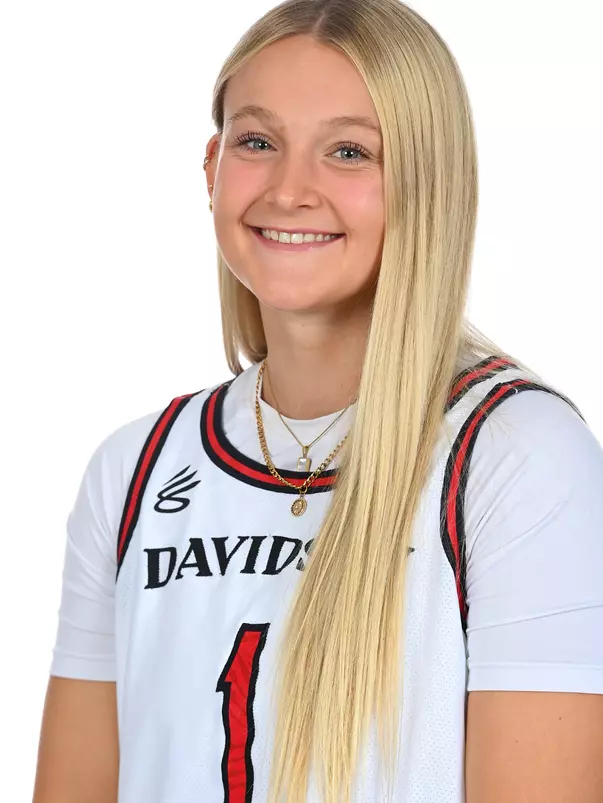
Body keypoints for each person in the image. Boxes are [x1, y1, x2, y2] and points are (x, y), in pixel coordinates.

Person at [32, 1, 603, 801]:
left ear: (429, 184)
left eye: (348, 151)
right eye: (257, 142)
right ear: (210, 166)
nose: (290, 190)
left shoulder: (515, 458)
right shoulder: (134, 469)